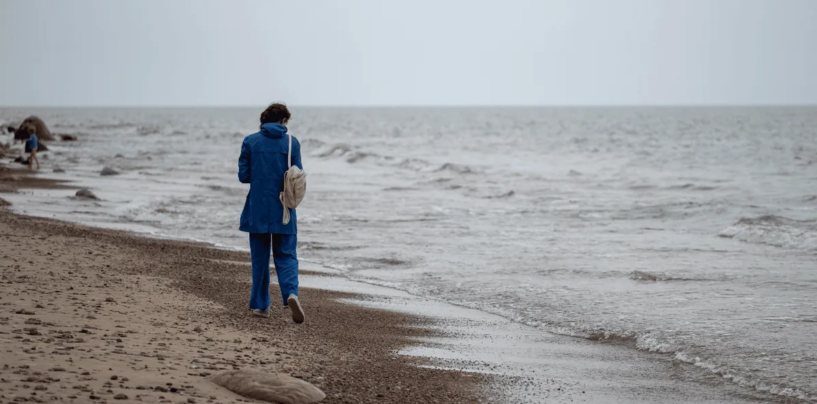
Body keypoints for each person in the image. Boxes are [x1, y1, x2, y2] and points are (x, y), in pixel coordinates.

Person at [238, 103, 305, 323]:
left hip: (257, 207)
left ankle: (262, 306)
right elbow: (297, 174)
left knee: (260, 258)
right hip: (283, 206)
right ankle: (291, 294)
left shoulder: (250, 141)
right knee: (286, 254)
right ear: (284, 121)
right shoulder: (291, 142)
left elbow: (243, 176)